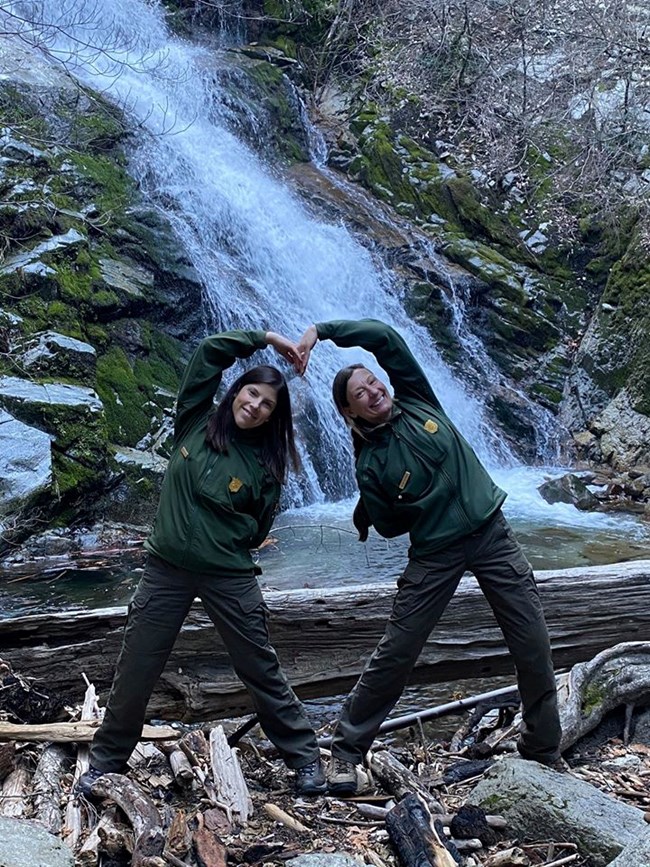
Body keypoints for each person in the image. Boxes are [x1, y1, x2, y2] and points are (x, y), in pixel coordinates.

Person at [297, 318, 562, 796]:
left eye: (373, 382)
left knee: (532, 640)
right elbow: (393, 525)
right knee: (398, 651)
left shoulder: (418, 400)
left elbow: (386, 340)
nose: (374, 390)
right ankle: (346, 751)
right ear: (349, 410)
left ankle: (542, 749)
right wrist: (377, 506)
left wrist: (322, 331)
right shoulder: (369, 463)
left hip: (491, 534)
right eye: (361, 393)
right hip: (435, 553)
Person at [77, 329, 326, 798]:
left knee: (258, 667)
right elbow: (209, 352)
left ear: (274, 415)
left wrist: (218, 541)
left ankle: (306, 758)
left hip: (227, 574)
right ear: (236, 390)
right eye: (251, 392)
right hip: (164, 569)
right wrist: (267, 338)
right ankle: (108, 761)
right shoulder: (195, 421)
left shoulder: (265, 466)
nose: (255, 405)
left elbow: (256, 529)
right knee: (137, 666)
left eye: (267, 404)